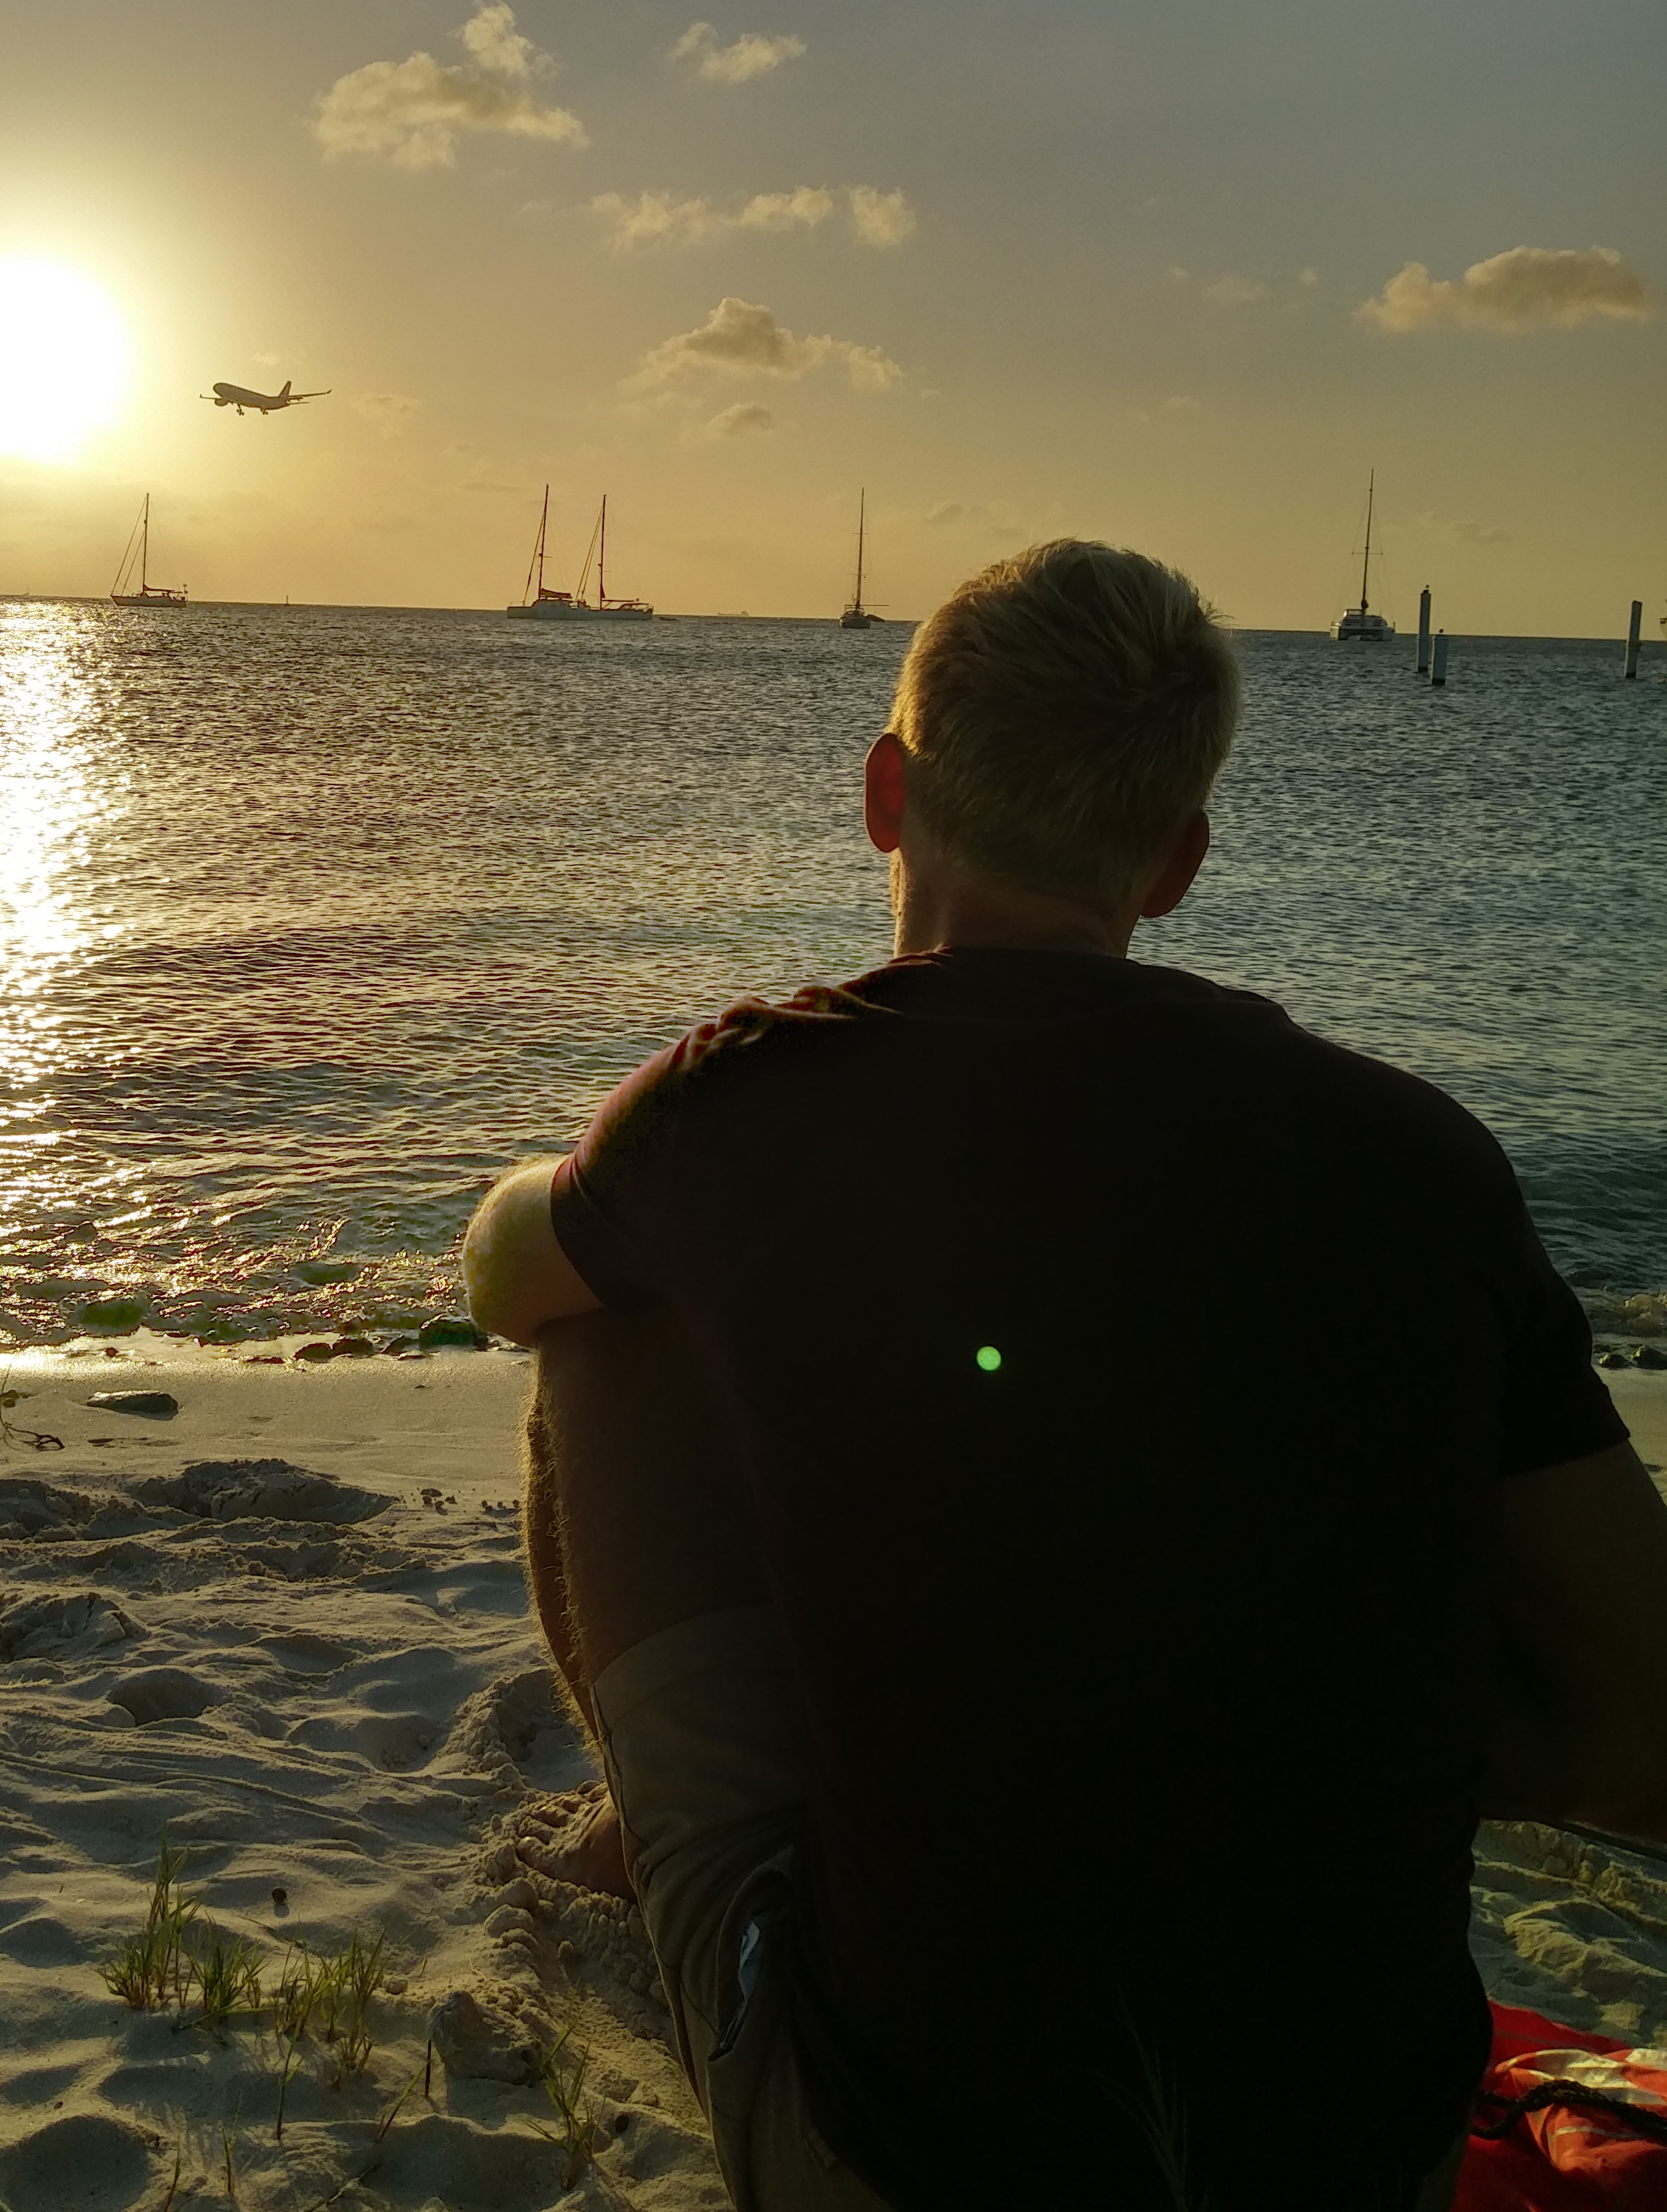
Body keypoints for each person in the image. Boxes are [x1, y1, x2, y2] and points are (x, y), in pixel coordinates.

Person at [459, 539, 1667, 2212]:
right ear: (1175, 861)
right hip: (1356, 2160)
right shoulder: (1421, 1158)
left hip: (896, 2157)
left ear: (887, 794)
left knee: (602, 1316)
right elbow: (1637, 1710)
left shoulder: (740, 1105)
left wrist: (585, 1190)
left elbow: (504, 1280)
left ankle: (641, 1828)